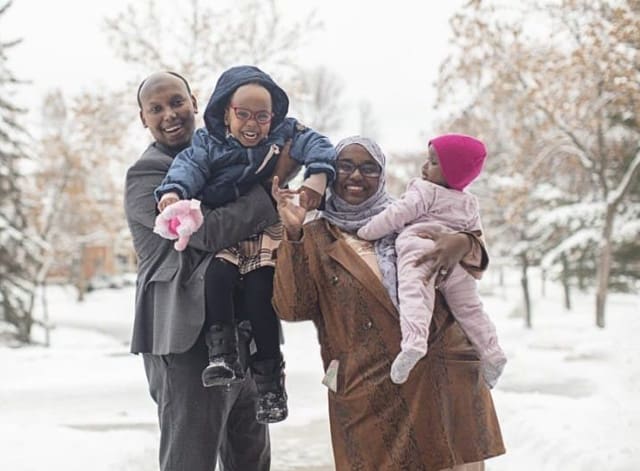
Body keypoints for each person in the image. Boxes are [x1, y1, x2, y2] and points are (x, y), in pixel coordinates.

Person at [272, 135, 505, 470]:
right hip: (370, 389)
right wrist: (292, 237)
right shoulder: (316, 236)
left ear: (381, 176)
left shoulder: (409, 214)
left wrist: (464, 242)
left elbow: (471, 256)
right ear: (331, 173)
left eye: (369, 168)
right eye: (346, 166)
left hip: (443, 374)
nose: (356, 176)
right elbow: (292, 307)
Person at [153, 65, 336, 423]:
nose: (253, 124)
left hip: (265, 232)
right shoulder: (208, 142)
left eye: (262, 116)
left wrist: (317, 177)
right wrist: (174, 193)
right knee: (217, 278)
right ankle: (221, 355)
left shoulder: (284, 133)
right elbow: (186, 168)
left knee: (259, 293)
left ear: (274, 116)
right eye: (243, 114)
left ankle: (270, 384)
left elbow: (319, 144)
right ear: (226, 112)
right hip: (231, 232)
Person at [124, 71, 277, 471]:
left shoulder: (230, 156)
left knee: (252, 459)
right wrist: (266, 197)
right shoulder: (147, 177)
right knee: (189, 461)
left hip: (244, 335)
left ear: (194, 102)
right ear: (143, 118)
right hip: (186, 341)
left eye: (176, 102)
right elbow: (207, 231)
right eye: (155, 109)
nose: (169, 114)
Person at [357, 134, 507, 386]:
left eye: (434, 162)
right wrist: (464, 244)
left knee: (414, 293)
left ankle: (414, 343)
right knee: (471, 308)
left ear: (452, 171)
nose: (425, 166)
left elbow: (396, 215)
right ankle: (493, 353)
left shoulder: (425, 191)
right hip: (458, 264)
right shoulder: (469, 203)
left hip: (420, 250)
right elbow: (477, 238)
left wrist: (366, 232)